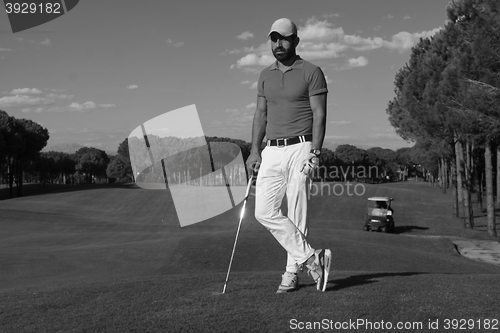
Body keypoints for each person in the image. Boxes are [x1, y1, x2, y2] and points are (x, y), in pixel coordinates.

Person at [245, 18, 331, 293]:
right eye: (273, 39)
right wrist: (254, 151)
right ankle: (310, 257)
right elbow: (260, 114)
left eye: (283, 38)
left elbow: (320, 114)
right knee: (263, 212)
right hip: (271, 149)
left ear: (295, 40)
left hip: (301, 147)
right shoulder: (265, 75)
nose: (277, 44)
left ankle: (291, 273)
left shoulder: (312, 71)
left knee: (297, 211)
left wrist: (315, 152)